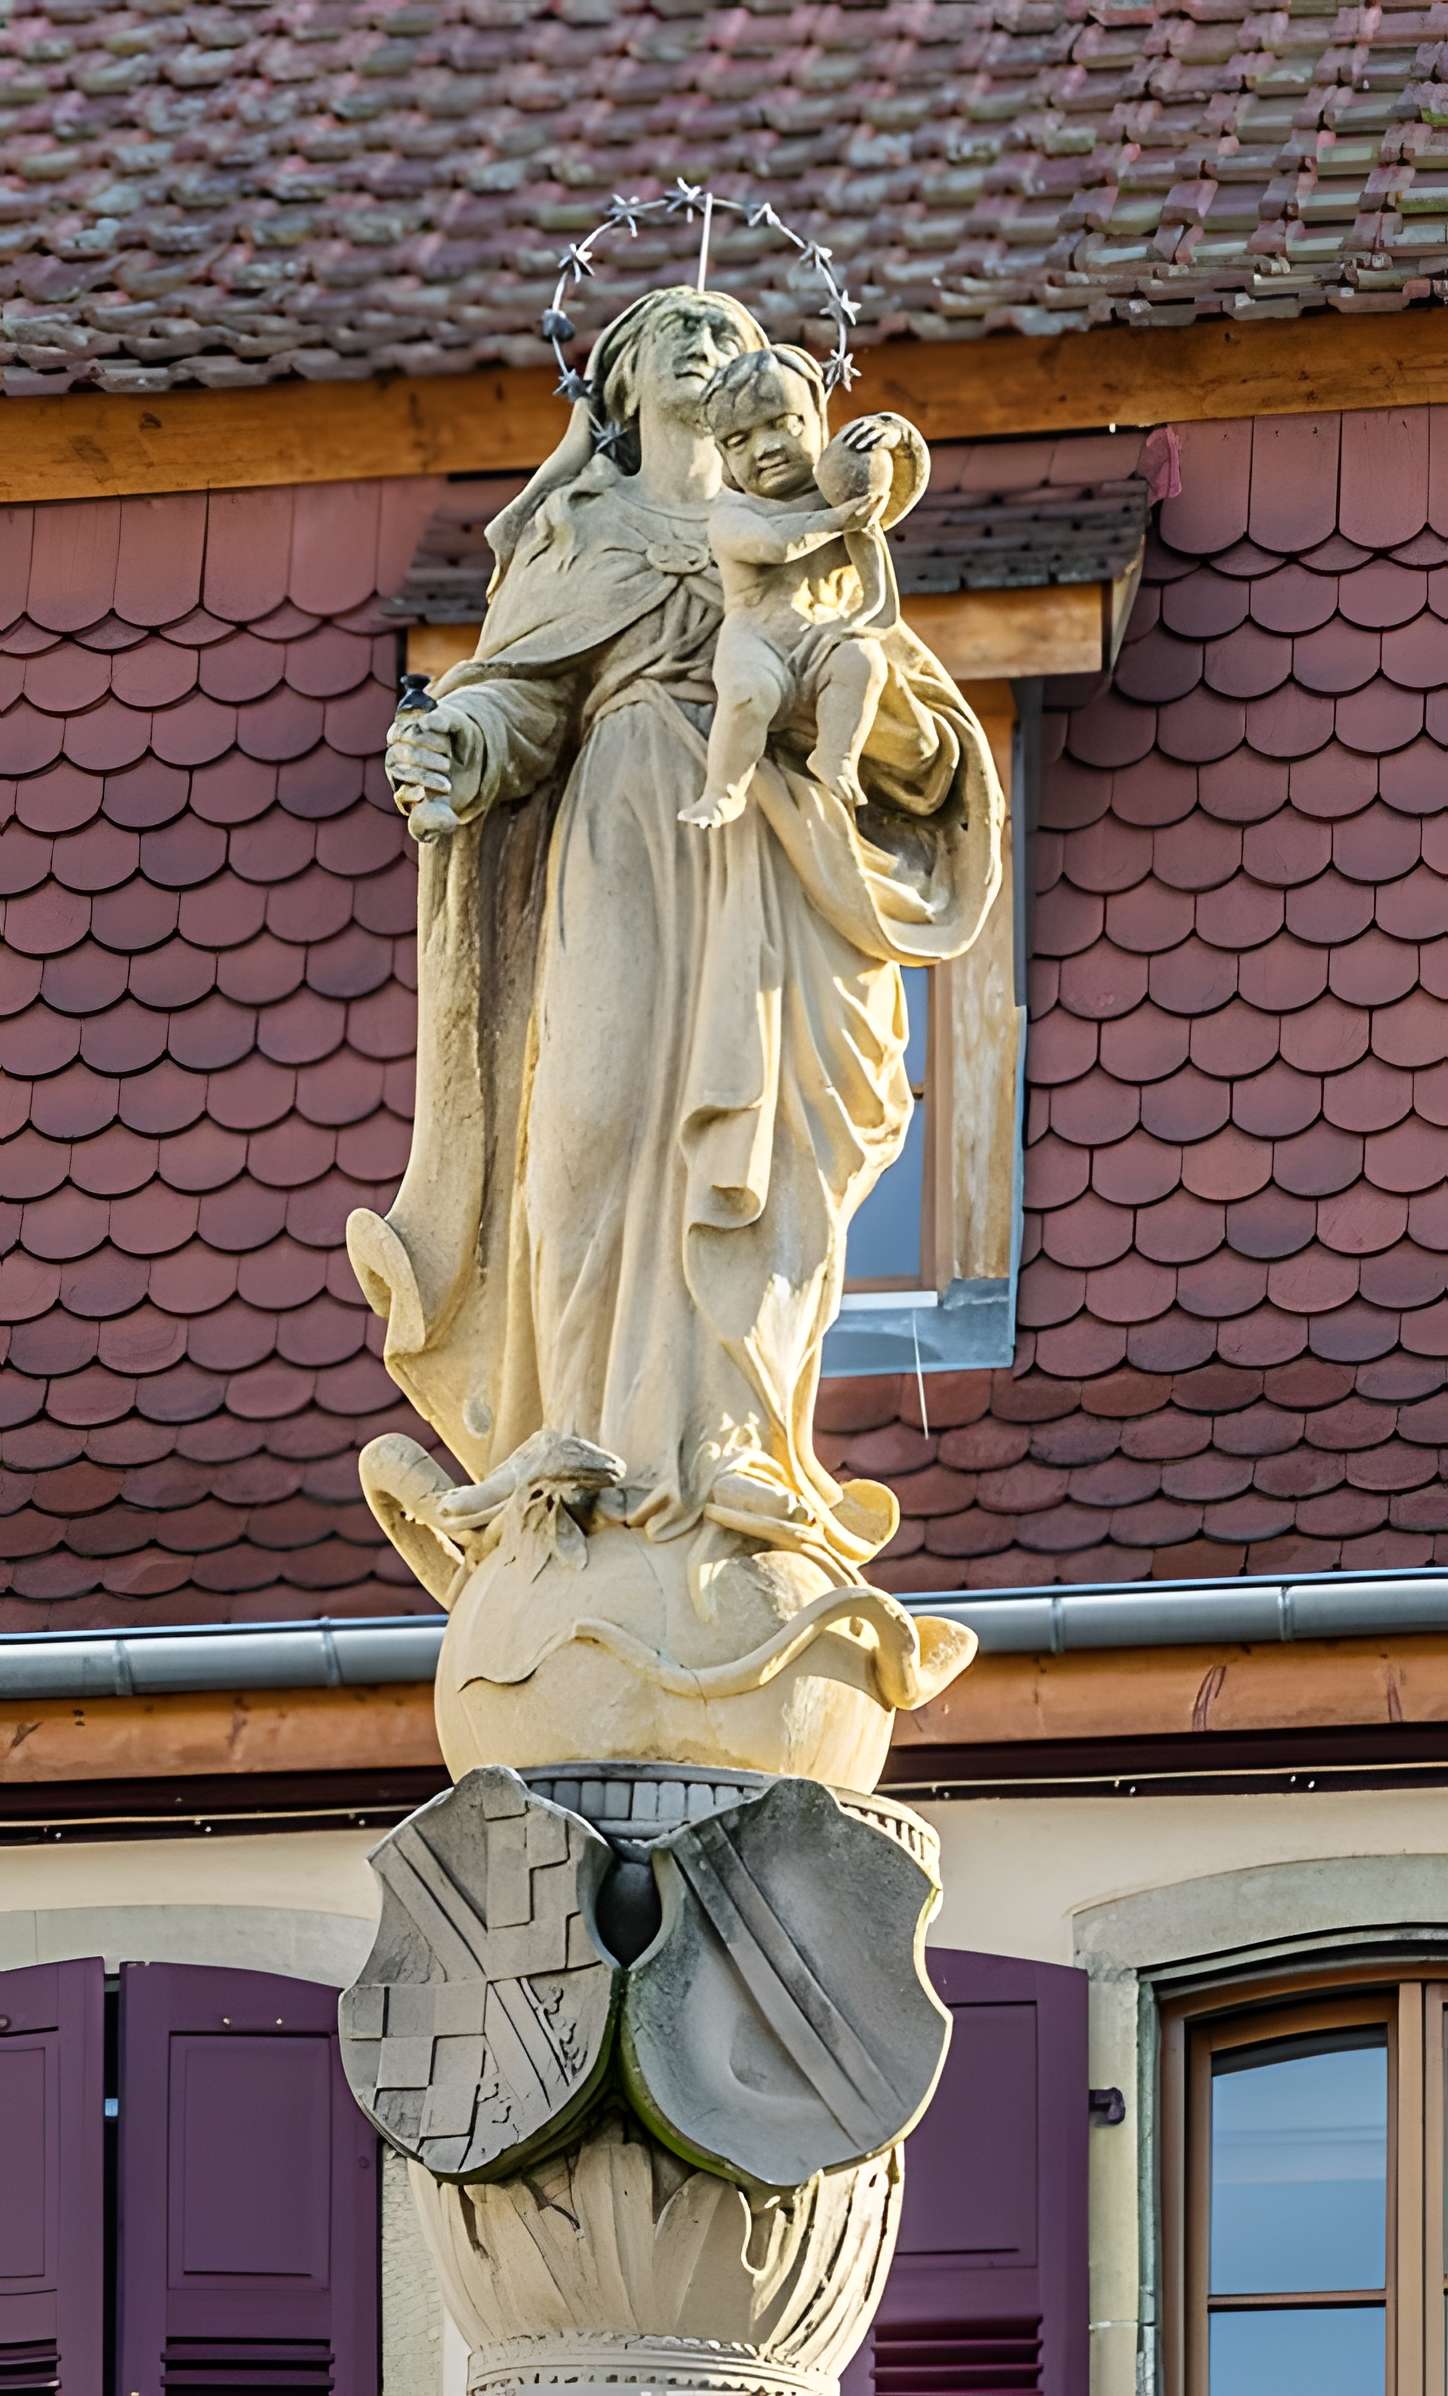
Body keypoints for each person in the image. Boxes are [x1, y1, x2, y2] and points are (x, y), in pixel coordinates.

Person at [357, 284, 1002, 1594]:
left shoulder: (815, 525)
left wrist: (874, 726)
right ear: (619, 386)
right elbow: (518, 701)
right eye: (675, 329)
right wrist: (459, 749)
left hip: (775, 853)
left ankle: (735, 1444)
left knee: (767, 1139)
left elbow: (906, 718)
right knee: (586, 1122)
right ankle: (573, 1447)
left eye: (728, 332)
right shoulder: (577, 533)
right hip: (626, 827)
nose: (706, 342)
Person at [680, 345, 890, 830]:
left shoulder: (837, 490)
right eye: (737, 440)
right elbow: (776, 544)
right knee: (747, 696)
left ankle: (835, 758)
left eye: (784, 423)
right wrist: (838, 519)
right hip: (756, 643)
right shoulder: (732, 514)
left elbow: (895, 493)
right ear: (724, 459)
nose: (766, 447)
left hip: (820, 636)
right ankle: (722, 792)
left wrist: (894, 435)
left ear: (818, 418)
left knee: (862, 662)